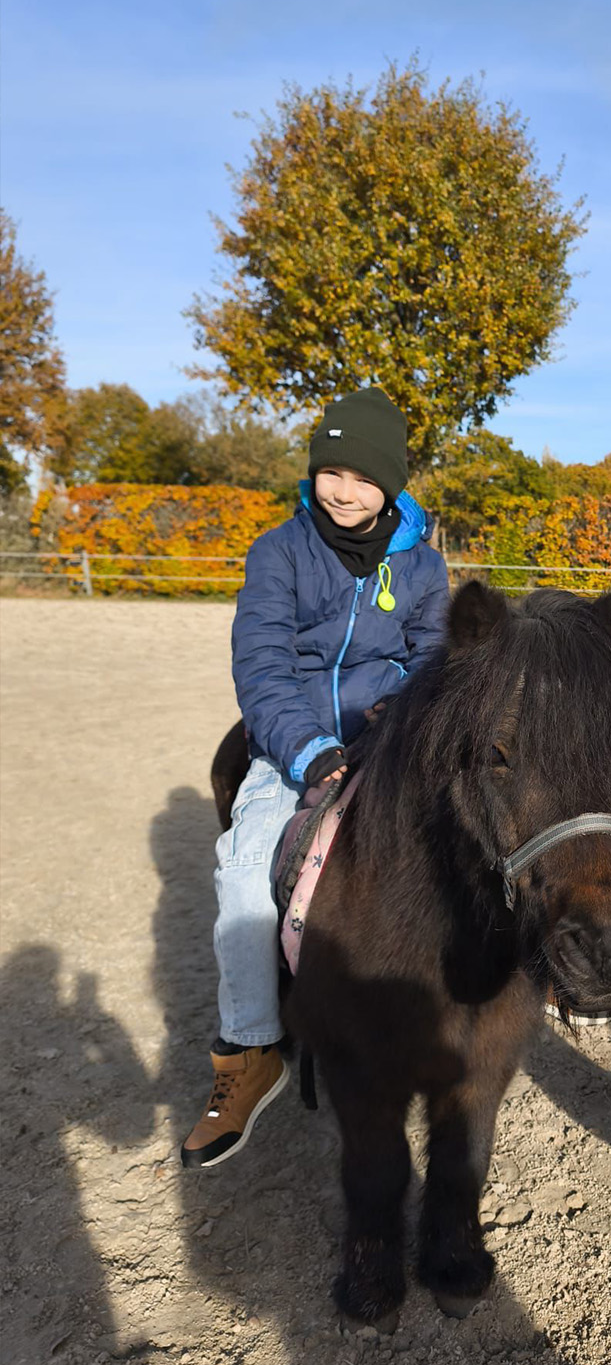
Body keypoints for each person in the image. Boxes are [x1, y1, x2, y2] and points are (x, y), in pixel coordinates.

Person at [182, 388, 449, 1170]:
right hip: (290, 745)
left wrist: (402, 713)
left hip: (388, 741)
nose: (344, 491)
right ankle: (251, 1050)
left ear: (390, 484)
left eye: (363, 477)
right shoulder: (278, 552)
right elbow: (261, 664)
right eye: (332, 472)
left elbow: (435, 658)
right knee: (241, 872)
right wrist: (305, 749)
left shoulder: (424, 564)